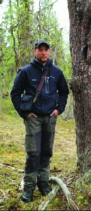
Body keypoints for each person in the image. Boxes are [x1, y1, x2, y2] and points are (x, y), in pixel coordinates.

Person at [11, 40, 69, 203]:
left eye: (46, 50)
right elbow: (15, 93)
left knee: (46, 152)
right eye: (40, 50)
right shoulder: (26, 71)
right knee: (33, 153)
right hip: (33, 119)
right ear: (34, 51)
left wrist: (59, 109)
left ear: (49, 52)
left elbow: (64, 91)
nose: (43, 52)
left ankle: (43, 184)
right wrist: (24, 113)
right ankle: (29, 188)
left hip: (50, 118)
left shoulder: (56, 72)